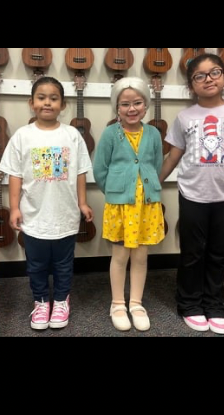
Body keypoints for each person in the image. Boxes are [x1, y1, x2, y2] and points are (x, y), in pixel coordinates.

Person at [159, 53, 224, 335]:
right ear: (191, 85)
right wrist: (154, 183)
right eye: (200, 75)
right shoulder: (184, 117)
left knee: (218, 253)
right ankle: (189, 304)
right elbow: (172, 157)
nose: (208, 79)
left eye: (214, 72)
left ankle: (215, 304)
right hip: (192, 195)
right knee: (192, 254)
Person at [0, 76, 93, 330]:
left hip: (65, 213)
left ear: (63, 104)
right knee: (36, 263)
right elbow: (15, 174)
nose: (47, 103)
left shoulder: (72, 135)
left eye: (54, 98)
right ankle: (40, 301)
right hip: (33, 215)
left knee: (64, 263)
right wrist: (15, 207)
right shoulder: (22, 136)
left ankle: (61, 300)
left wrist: (83, 203)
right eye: (41, 98)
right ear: (32, 103)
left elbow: (81, 171)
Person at [93, 76, 165, 332]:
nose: (131, 109)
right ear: (117, 108)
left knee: (141, 256)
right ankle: (117, 304)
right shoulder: (111, 134)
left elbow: (156, 166)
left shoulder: (154, 133)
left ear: (146, 106)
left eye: (137, 103)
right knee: (120, 255)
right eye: (125, 104)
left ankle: (136, 303)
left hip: (146, 205)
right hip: (120, 206)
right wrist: (115, 192)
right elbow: (100, 170)